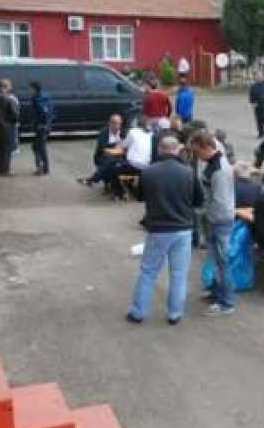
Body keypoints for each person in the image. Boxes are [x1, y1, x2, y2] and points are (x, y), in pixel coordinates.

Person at [126, 136, 203, 325]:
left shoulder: (148, 172)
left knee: (148, 272)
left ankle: (138, 312)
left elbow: (139, 197)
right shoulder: (188, 172)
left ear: (159, 149)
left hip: (158, 228)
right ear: (177, 150)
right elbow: (198, 201)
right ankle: (174, 313)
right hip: (183, 228)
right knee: (178, 274)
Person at [190, 130, 237, 316]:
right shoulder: (215, 160)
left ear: (207, 147)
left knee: (222, 263)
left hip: (219, 221)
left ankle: (226, 303)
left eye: (197, 151)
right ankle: (218, 293)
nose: (197, 156)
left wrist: (205, 215)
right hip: (217, 220)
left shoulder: (218, 170)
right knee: (217, 261)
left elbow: (221, 202)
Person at [79, 114, 126, 188]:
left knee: (114, 161)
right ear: (110, 123)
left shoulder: (122, 131)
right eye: (115, 123)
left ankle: (92, 180)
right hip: (102, 156)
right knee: (111, 161)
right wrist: (115, 144)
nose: (117, 126)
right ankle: (95, 180)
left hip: (118, 156)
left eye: (119, 124)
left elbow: (125, 144)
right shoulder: (104, 132)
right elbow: (103, 148)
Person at [28, 81, 53, 176]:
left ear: (34, 89)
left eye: (30, 89)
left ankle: (42, 168)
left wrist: (43, 125)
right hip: (42, 126)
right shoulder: (42, 97)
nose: (29, 91)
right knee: (38, 147)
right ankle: (44, 168)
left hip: (42, 127)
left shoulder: (39, 99)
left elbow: (45, 113)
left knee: (38, 147)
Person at [0, 78, 20, 154]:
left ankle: (14, 148)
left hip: (10, 120)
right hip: (8, 120)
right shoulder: (11, 98)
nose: (2, 89)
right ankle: (13, 148)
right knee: (11, 135)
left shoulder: (11, 98)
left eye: (4, 87)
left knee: (13, 135)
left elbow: (15, 110)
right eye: (1, 86)